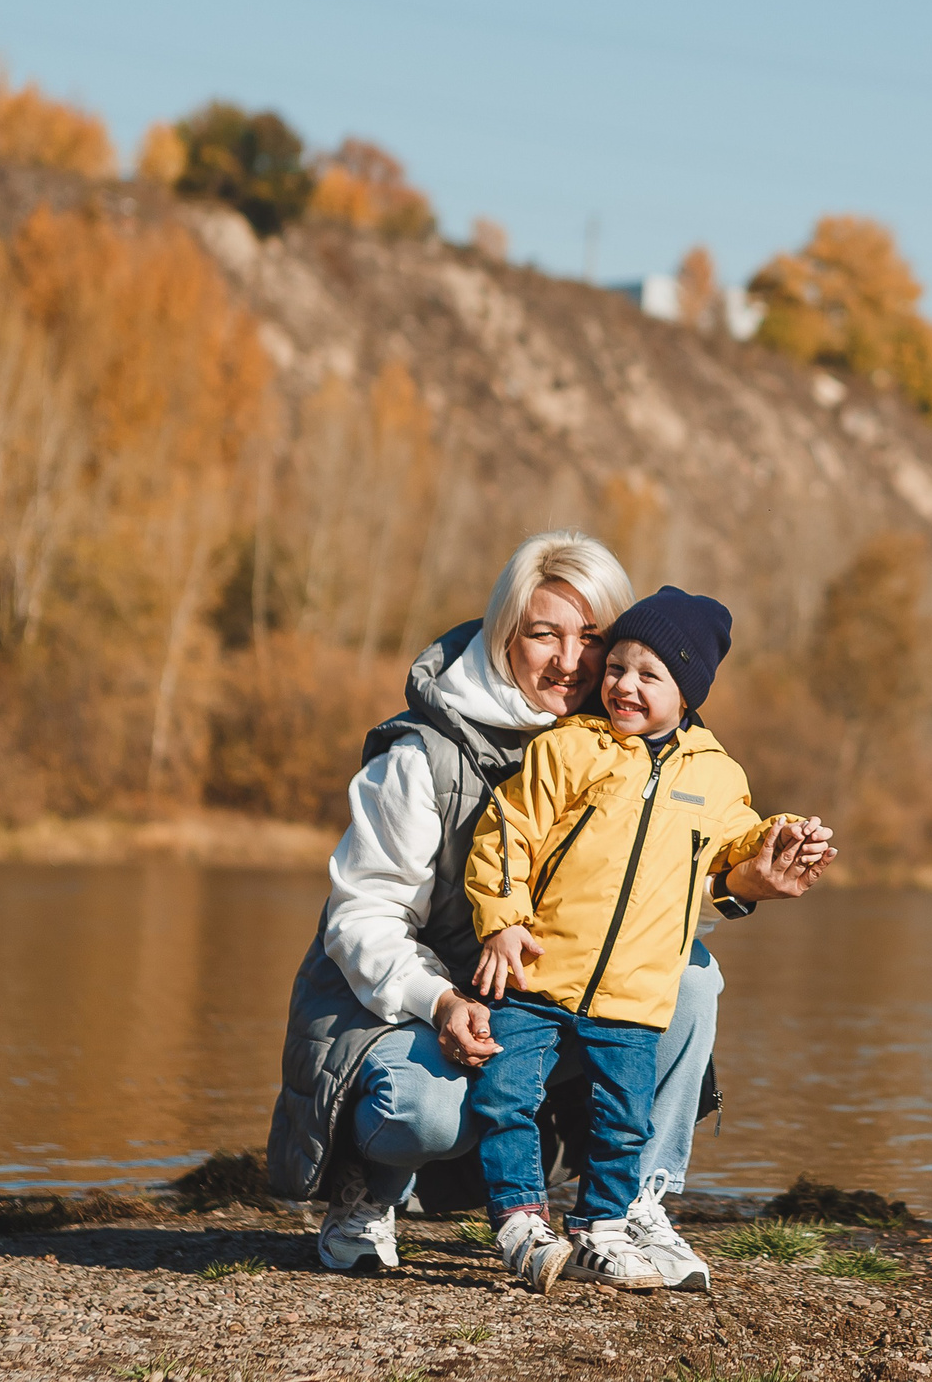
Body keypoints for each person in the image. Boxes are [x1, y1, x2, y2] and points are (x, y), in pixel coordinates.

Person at [266, 535, 834, 1274]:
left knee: (690, 975)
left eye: (593, 637)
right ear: (506, 636)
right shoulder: (421, 756)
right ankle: (365, 1186)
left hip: (544, 995)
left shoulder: (646, 753)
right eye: (545, 634)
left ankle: (635, 1204)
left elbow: (635, 906)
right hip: (413, 1007)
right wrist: (440, 1001)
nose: (573, 661)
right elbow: (361, 917)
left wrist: (739, 882)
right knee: (423, 1110)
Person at [462, 586, 799, 1294]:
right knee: (505, 1094)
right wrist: (502, 922)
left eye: (651, 675)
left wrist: (779, 838)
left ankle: (602, 1229)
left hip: (634, 995)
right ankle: (521, 1218)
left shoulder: (714, 773)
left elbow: (736, 840)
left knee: (621, 1123)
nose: (624, 685)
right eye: (616, 667)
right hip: (540, 974)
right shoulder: (567, 749)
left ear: (688, 692)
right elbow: (505, 835)